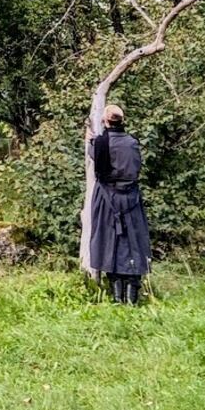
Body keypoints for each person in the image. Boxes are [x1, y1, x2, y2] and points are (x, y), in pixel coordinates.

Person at [87, 103, 152, 303]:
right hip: (130, 198)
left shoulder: (101, 143)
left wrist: (91, 142)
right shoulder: (132, 142)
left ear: (105, 121)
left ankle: (117, 297)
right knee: (133, 243)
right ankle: (131, 297)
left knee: (109, 242)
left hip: (107, 198)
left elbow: (97, 159)